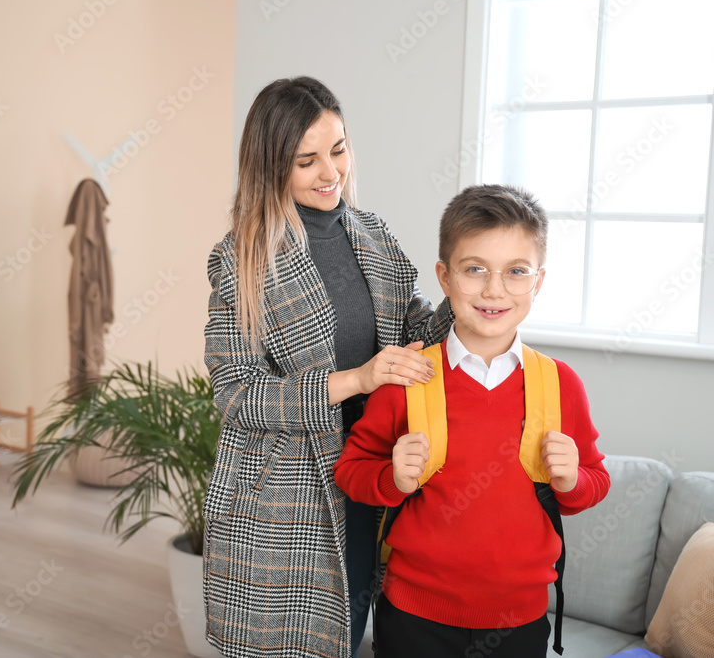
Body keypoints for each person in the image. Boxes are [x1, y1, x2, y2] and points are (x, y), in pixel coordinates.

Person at [202, 76, 454, 658]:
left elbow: (413, 334)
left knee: (346, 636)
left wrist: (468, 294)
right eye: (306, 161)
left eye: (338, 150)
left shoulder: (373, 235)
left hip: (367, 478)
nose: (330, 172)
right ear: (271, 169)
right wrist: (359, 379)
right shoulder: (241, 258)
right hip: (282, 501)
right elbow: (236, 394)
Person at [333, 184, 611, 658]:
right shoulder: (409, 377)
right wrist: (391, 477)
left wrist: (572, 480)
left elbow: (595, 481)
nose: (494, 289)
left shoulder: (560, 384)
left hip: (518, 625)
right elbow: (351, 470)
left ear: (538, 282)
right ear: (444, 276)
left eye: (516, 272)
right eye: (474, 269)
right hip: (411, 618)